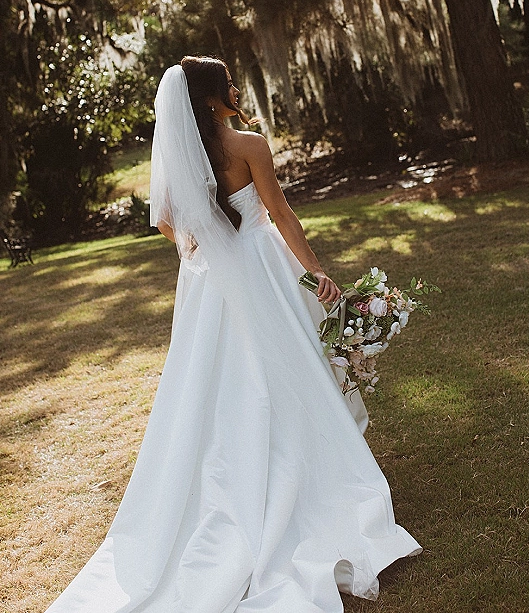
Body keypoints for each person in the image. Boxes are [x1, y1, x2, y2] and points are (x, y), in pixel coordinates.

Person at [45, 57, 420, 613]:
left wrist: (201, 242)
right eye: (228, 84)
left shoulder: (180, 156)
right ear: (214, 98)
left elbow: (167, 222)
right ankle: (302, 482)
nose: (236, 89)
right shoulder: (249, 145)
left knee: (219, 388)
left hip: (210, 281)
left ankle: (234, 482)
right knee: (286, 373)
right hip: (261, 268)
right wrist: (317, 271)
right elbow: (282, 215)